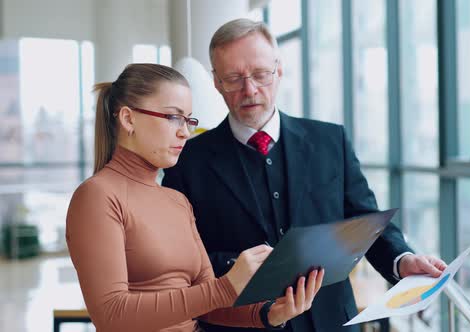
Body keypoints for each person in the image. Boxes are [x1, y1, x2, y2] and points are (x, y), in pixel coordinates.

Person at [162, 19, 447, 332]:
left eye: (260, 74)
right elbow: (183, 261)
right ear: (216, 82)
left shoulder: (330, 141)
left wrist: (402, 260)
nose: (250, 89)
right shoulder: (187, 159)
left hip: (332, 322)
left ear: (279, 70)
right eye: (233, 78)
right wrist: (238, 265)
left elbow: (365, 218)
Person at [66, 63, 324, 332]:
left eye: (188, 120)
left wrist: (268, 313)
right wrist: (226, 286)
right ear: (129, 119)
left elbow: (207, 304)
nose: (185, 132)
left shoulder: (178, 202)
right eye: (173, 117)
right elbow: (112, 314)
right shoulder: (97, 196)